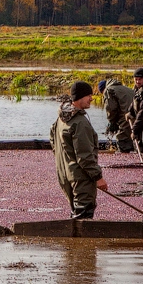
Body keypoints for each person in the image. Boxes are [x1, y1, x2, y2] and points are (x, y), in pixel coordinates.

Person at [50, 81, 109, 219]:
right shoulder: (80, 122)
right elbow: (85, 156)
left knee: (76, 213)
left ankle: (73, 239)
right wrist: (98, 177)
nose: (91, 98)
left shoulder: (61, 119)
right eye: (88, 95)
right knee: (84, 214)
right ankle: (79, 240)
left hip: (65, 176)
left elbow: (54, 144)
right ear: (80, 97)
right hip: (81, 178)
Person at [97, 78, 135, 153]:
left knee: (122, 140)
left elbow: (111, 109)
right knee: (135, 140)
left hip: (126, 117)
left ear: (103, 90)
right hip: (138, 117)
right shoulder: (125, 88)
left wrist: (112, 122)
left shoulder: (108, 90)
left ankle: (125, 160)